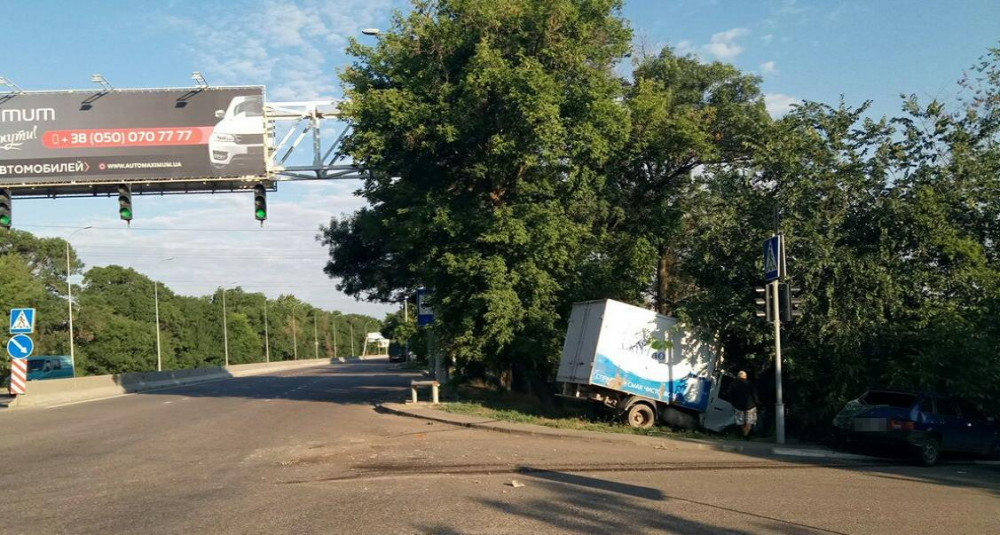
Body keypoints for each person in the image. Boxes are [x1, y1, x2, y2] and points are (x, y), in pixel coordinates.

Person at [727, 370, 761, 439]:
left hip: (738, 406)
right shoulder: (750, 384)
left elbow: (730, 395)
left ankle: (744, 434)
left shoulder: (733, 384)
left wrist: (733, 403)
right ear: (745, 377)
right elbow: (754, 395)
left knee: (740, 422)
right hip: (750, 406)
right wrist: (757, 403)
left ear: (738, 377)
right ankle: (746, 434)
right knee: (750, 421)